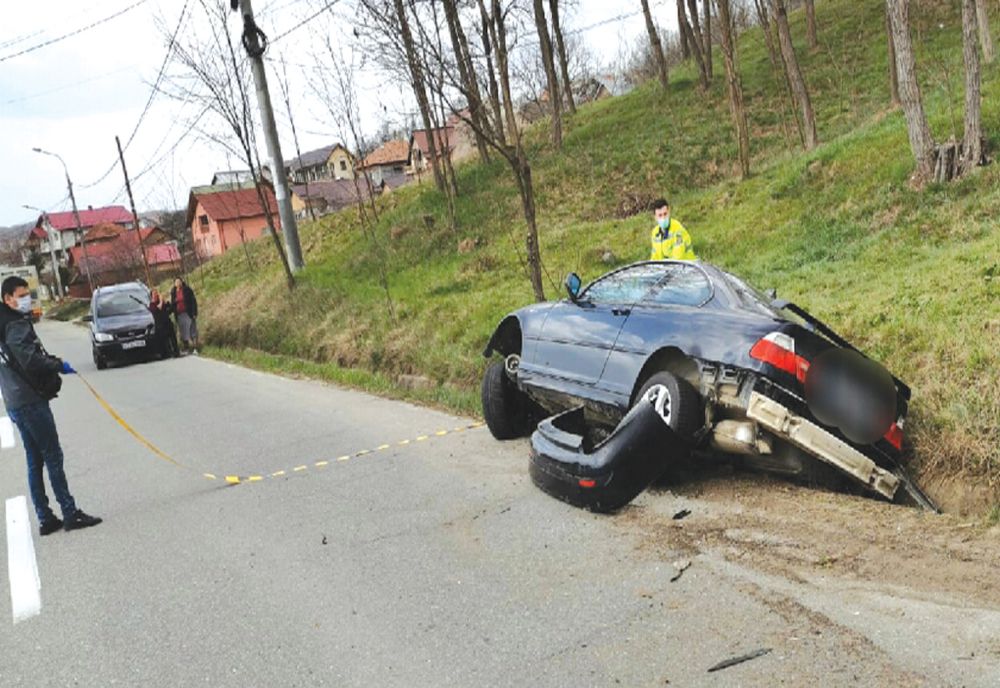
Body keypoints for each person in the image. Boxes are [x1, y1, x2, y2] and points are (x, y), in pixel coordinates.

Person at [0, 276, 102, 535]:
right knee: (52, 456)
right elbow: (30, 360)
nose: (26, 299)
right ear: (7, 298)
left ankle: (45, 517)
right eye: (21, 295)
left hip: (14, 400)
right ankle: (69, 513)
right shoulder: (14, 325)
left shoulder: (2, 323)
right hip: (30, 401)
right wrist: (57, 365)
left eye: (27, 294)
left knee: (35, 460)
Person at [170, 277, 199, 355]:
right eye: (176, 282)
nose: (178, 283)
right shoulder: (173, 292)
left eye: (179, 281)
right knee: (183, 332)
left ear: (182, 282)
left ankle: (195, 348)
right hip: (179, 314)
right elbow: (172, 304)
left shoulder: (187, 290)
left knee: (192, 330)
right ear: (174, 284)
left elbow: (193, 301)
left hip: (188, 312)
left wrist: (194, 313)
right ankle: (186, 348)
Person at [149, 289, 179, 358]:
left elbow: (169, 309)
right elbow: (158, 308)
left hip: (167, 322)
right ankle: (168, 353)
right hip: (160, 325)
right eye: (154, 294)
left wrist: (165, 302)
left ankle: (176, 352)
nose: (156, 295)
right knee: (165, 340)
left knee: (173, 338)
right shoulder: (152, 304)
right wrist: (161, 301)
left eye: (156, 293)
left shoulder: (161, 301)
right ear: (152, 296)